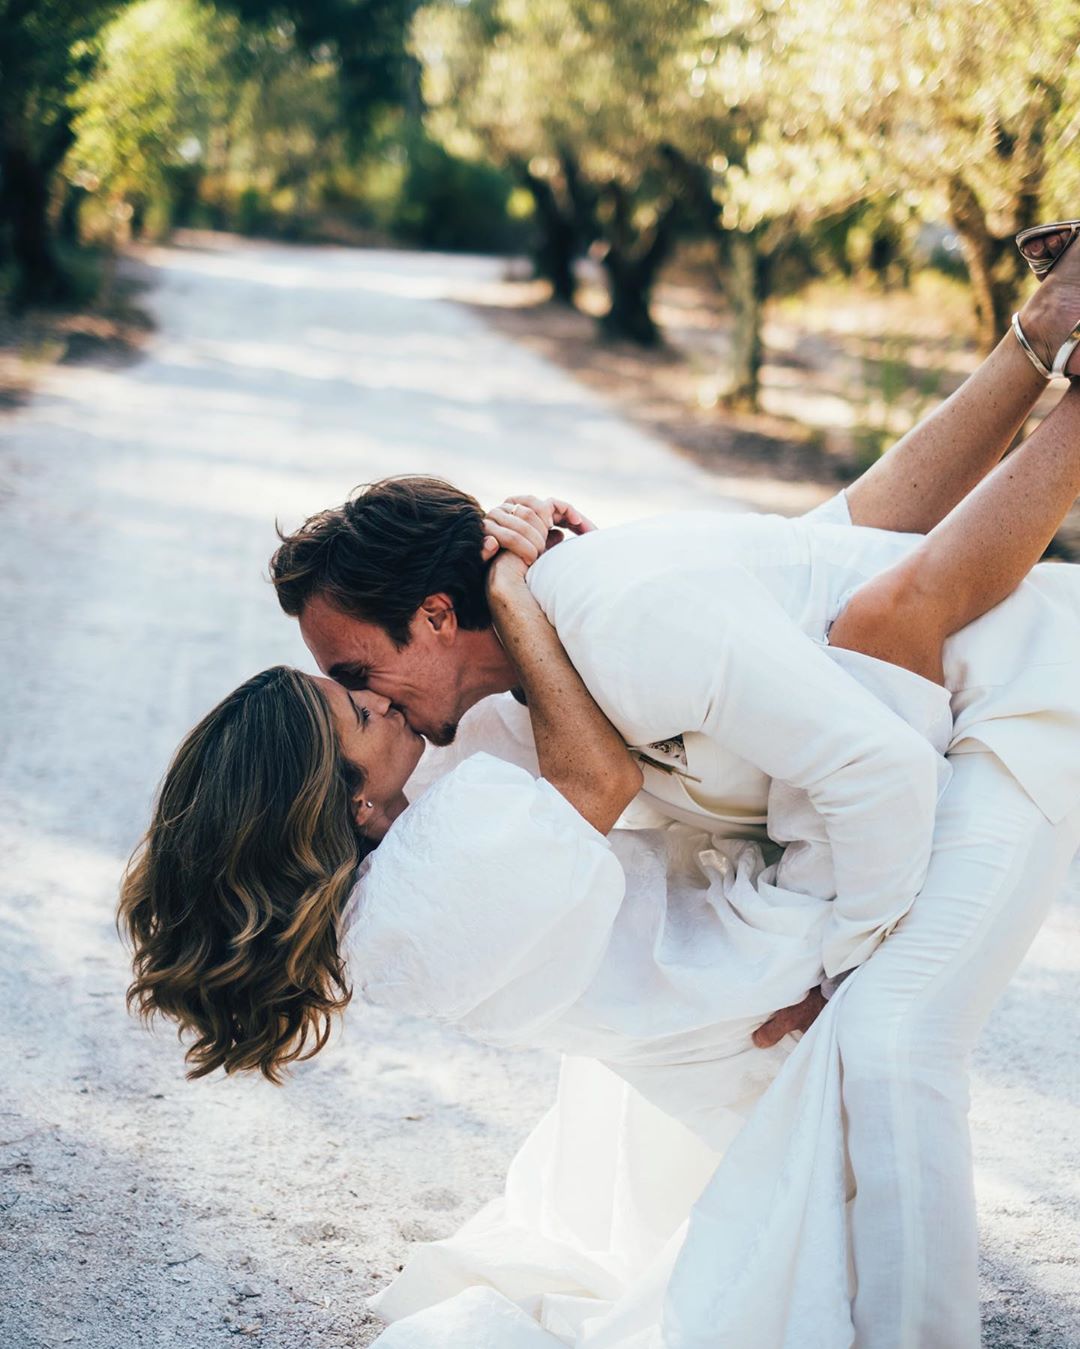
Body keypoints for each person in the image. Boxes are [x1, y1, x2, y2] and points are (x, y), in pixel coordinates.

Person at [118, 225, 1080, 1345]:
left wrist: (845, 959)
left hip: (981, 719)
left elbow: (841, 606)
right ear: (340, 805)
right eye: (351, 699)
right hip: (838, 829)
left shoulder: (575, 649)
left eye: (356, 676)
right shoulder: (464, 787)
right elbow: (626, 741)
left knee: (890, 1039)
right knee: (858, 600)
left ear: (435, 617)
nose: (375, 703)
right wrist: (532, 591)